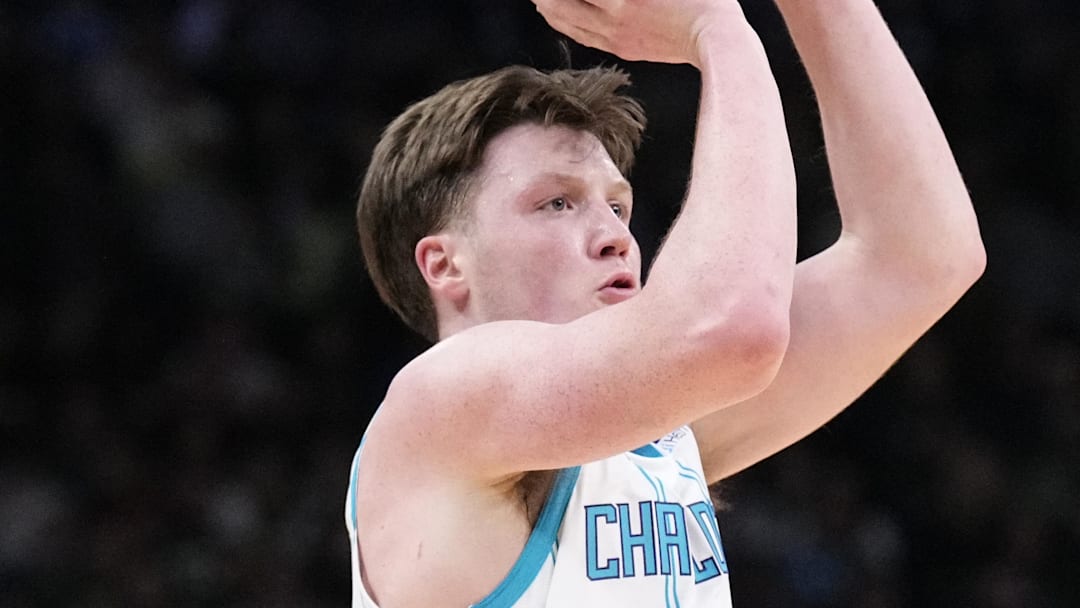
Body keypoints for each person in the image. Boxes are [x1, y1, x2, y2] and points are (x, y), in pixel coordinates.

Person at [345, 0, 986, 606]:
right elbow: (731, 329)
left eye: (618, 205)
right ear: (444, 264)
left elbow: (922, 257)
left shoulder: (650, 432)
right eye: (557, 203)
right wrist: (721, 32)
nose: (616, 236)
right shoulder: (438, 406)